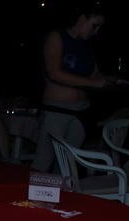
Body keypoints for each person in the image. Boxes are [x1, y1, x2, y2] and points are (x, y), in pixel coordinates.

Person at [32, 2, 118, 171]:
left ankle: (64, 188)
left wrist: (110, 80)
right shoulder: (57, 37)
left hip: (81, 111)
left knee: (68, 164)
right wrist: (93, 83)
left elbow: (95, 75)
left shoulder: (86, 45)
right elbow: (54, 73)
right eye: (94, 25)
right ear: (82, 18)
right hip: (57, 110)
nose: (96, 31)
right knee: (43, 161)